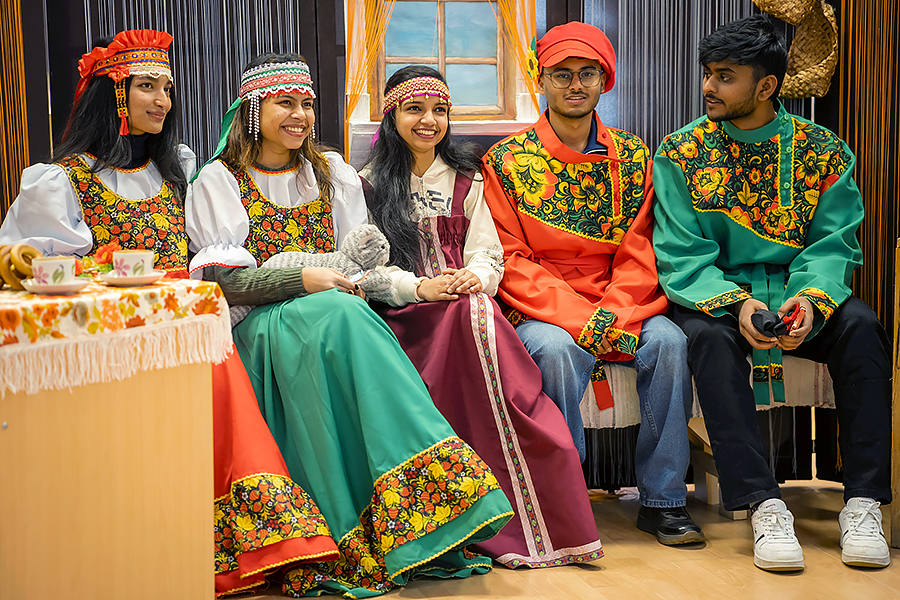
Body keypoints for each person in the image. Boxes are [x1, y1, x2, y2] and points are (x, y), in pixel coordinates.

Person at [0, 30, 341, 594]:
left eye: (167, 89)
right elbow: (27, 265)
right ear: (114, 95)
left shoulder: (179, 170)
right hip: (111, 336)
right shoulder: (63, 181)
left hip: (185, 325)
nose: (162, 101)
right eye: (147, 87)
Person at [186, 53, 513, 597]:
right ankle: (370, 517)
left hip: (335, 315)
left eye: (307, 104)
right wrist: (303, 279)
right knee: (343, 312)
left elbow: (363, 266)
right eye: (285, 103)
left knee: (349, 311)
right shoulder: (219, 180)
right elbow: (226, 283)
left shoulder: (333, 174)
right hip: (263, 323)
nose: (300, 116)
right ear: (252, 110)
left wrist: (418, 288)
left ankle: (423, 506)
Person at [653, 15, 892, 571]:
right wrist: (738, 305)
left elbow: (833, 243)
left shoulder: (823, 150)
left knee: (862, 328)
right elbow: (681, 251)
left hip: (801, 295)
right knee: (708, 340)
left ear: (766, 86)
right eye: (708, 73)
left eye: (725, 76)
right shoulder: (680, 152)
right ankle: (764, 504)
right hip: (718, 298)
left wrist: (808, 301)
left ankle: (863, 503)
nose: (709, 87)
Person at [360, 65, 603, 568]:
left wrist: (474, 277)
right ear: (391, 115)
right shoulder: (364, 185)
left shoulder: (468, 179)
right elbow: (364, 268)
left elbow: (488, 252)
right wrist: (419, 287)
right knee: (465, 315)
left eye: (439, 110)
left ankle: (534, 518)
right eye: (414, 109)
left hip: (464, 308)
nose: (428, 121)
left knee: (474, 311)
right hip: (399, 315)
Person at [482, 21, 703, 546]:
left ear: (605, 80)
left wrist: (614, 313)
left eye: (588, 73)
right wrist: (584, 320)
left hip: (624, 299)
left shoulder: (634, 156)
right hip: (541, 306)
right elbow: (512, 258)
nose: (575, 84)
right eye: (562, 74)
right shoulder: (505, 161)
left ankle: (664, 500)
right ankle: (563, 500)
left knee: (670, 343)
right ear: (542, 79)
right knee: (555, 351)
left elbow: (641, 247)